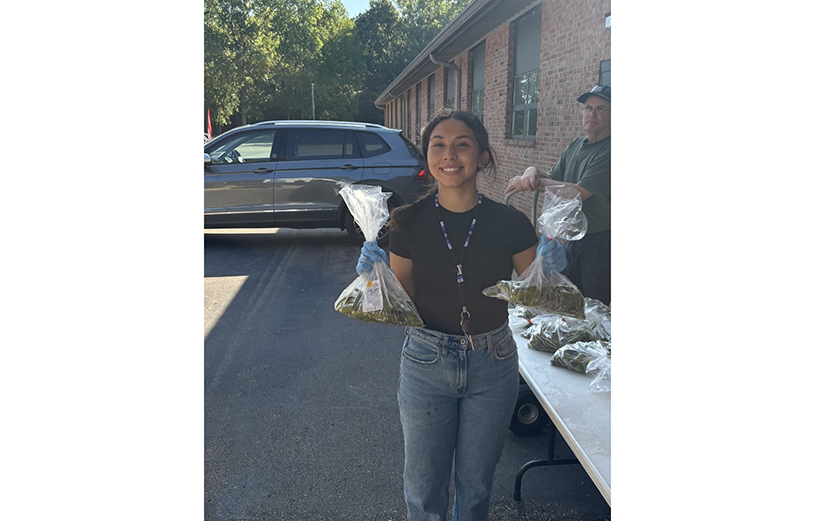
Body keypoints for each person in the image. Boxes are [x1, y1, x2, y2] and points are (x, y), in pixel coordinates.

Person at [355, 109, 566, 521]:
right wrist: (375, 281)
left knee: (475, 489)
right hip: (425, 360)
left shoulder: (511, 222)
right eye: (439, 145)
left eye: (462, 144)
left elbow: (538, 296)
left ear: (483, 156)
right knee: (422, 488)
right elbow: (404, 305)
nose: (450, 155)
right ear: (428, 157)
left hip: (495, 362)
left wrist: (552, 264)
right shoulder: (406, 223)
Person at [504, 84, 611, 306]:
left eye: (601, 108)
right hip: (574, 240)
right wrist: (532, 171)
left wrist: (534, 183)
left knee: (595, 307)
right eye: (588, 108)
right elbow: (553, 178)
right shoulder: (577, 145)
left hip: (600, 244)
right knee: (571, 301)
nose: (592, 114)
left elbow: (576, 193)